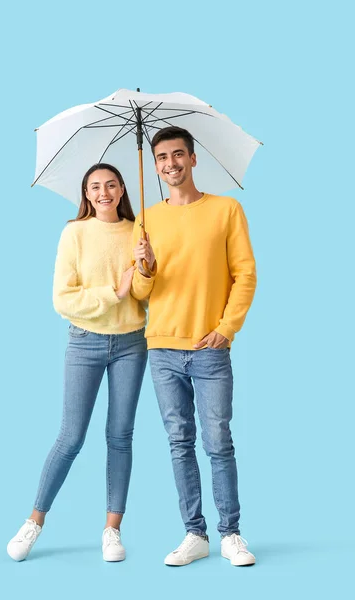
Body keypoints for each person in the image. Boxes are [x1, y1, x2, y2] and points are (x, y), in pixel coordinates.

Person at [7, 164, 147, 563]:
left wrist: (147, 267)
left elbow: (145, 294)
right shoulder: (74, 232)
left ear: (122, 189)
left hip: (132, 343)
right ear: (86, 193)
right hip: (84, 343)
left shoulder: (139, 231)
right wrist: (113, 291)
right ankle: (34, 521)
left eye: (111, 185)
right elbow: (63, 299)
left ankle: (112, 530)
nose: (104, 192)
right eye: (94, 186)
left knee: (121, 436)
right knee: (70, 437)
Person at [131, 126, 257, 567]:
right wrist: (144, 267)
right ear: (156, 164)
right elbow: (142, 294)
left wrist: (227, 328)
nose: (170, 164)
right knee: (179, 442)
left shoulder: (226, 210)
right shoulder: (146, 220)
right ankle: (194, 533)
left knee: (218, 440)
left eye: (178, 155)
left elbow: (245, 275)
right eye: (162, 157)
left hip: (209, 348)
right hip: (162, 349)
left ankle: (231, 533)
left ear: (193, 158)